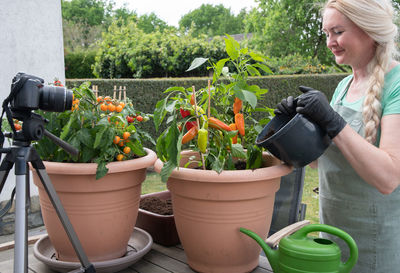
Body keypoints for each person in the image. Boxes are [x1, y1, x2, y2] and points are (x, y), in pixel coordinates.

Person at [275, 0, 400, 272]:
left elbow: (389, 178)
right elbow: (321, 163)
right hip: (334, 235)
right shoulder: (345, 86)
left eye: (338, 32)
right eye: (327, 33)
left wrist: (332, 121)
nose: (330, 42)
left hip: (378, 243)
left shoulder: (397, 83)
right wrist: (293, 128)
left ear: (369, 30)